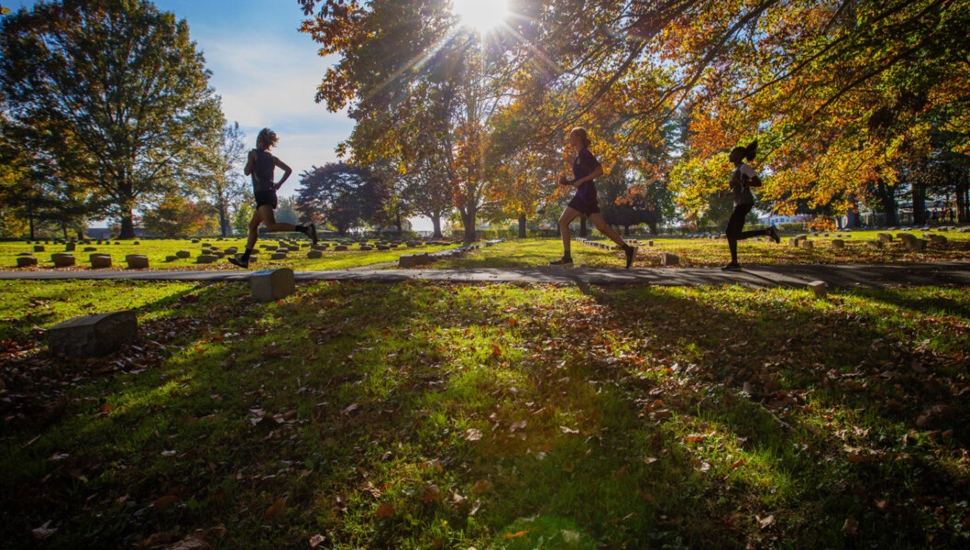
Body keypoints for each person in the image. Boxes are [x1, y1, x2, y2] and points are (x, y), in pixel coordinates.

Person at [229, 128, 317, 269]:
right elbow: (288, 170)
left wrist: (250, 159)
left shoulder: (253, 153)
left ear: (259, 140)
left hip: (262, 194)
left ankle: (305, 230)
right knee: (252, 226)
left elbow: (246, 172)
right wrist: (279, 184)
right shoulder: (272, 158)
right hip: (269, 193)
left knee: (271, 226)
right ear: (269, 143)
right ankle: (244, 259)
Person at [551, 128, 636, 268]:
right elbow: (580, 179)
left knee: (562, 222)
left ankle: (567, 258)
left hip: (585, 194)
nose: (569, 139)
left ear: (579, 138)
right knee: (601, 227)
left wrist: (582, 180)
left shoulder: (585, 154)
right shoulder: (578, 156)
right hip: (587, 193)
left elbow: (599, 170)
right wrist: (568, 182)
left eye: (571, 136)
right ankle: (628, 249)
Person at [721, 140, 779, 271]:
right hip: (739, 203)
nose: (730, 155)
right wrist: (726, 195)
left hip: (745, 202)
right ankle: (767, 231)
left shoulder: (744, 168)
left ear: (739, 155)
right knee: (734, 234)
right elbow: (737, 189)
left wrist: (741, 182)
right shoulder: (735, 170)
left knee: (729, 232)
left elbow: (758, 183)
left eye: (732, 153)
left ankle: (735, 262)